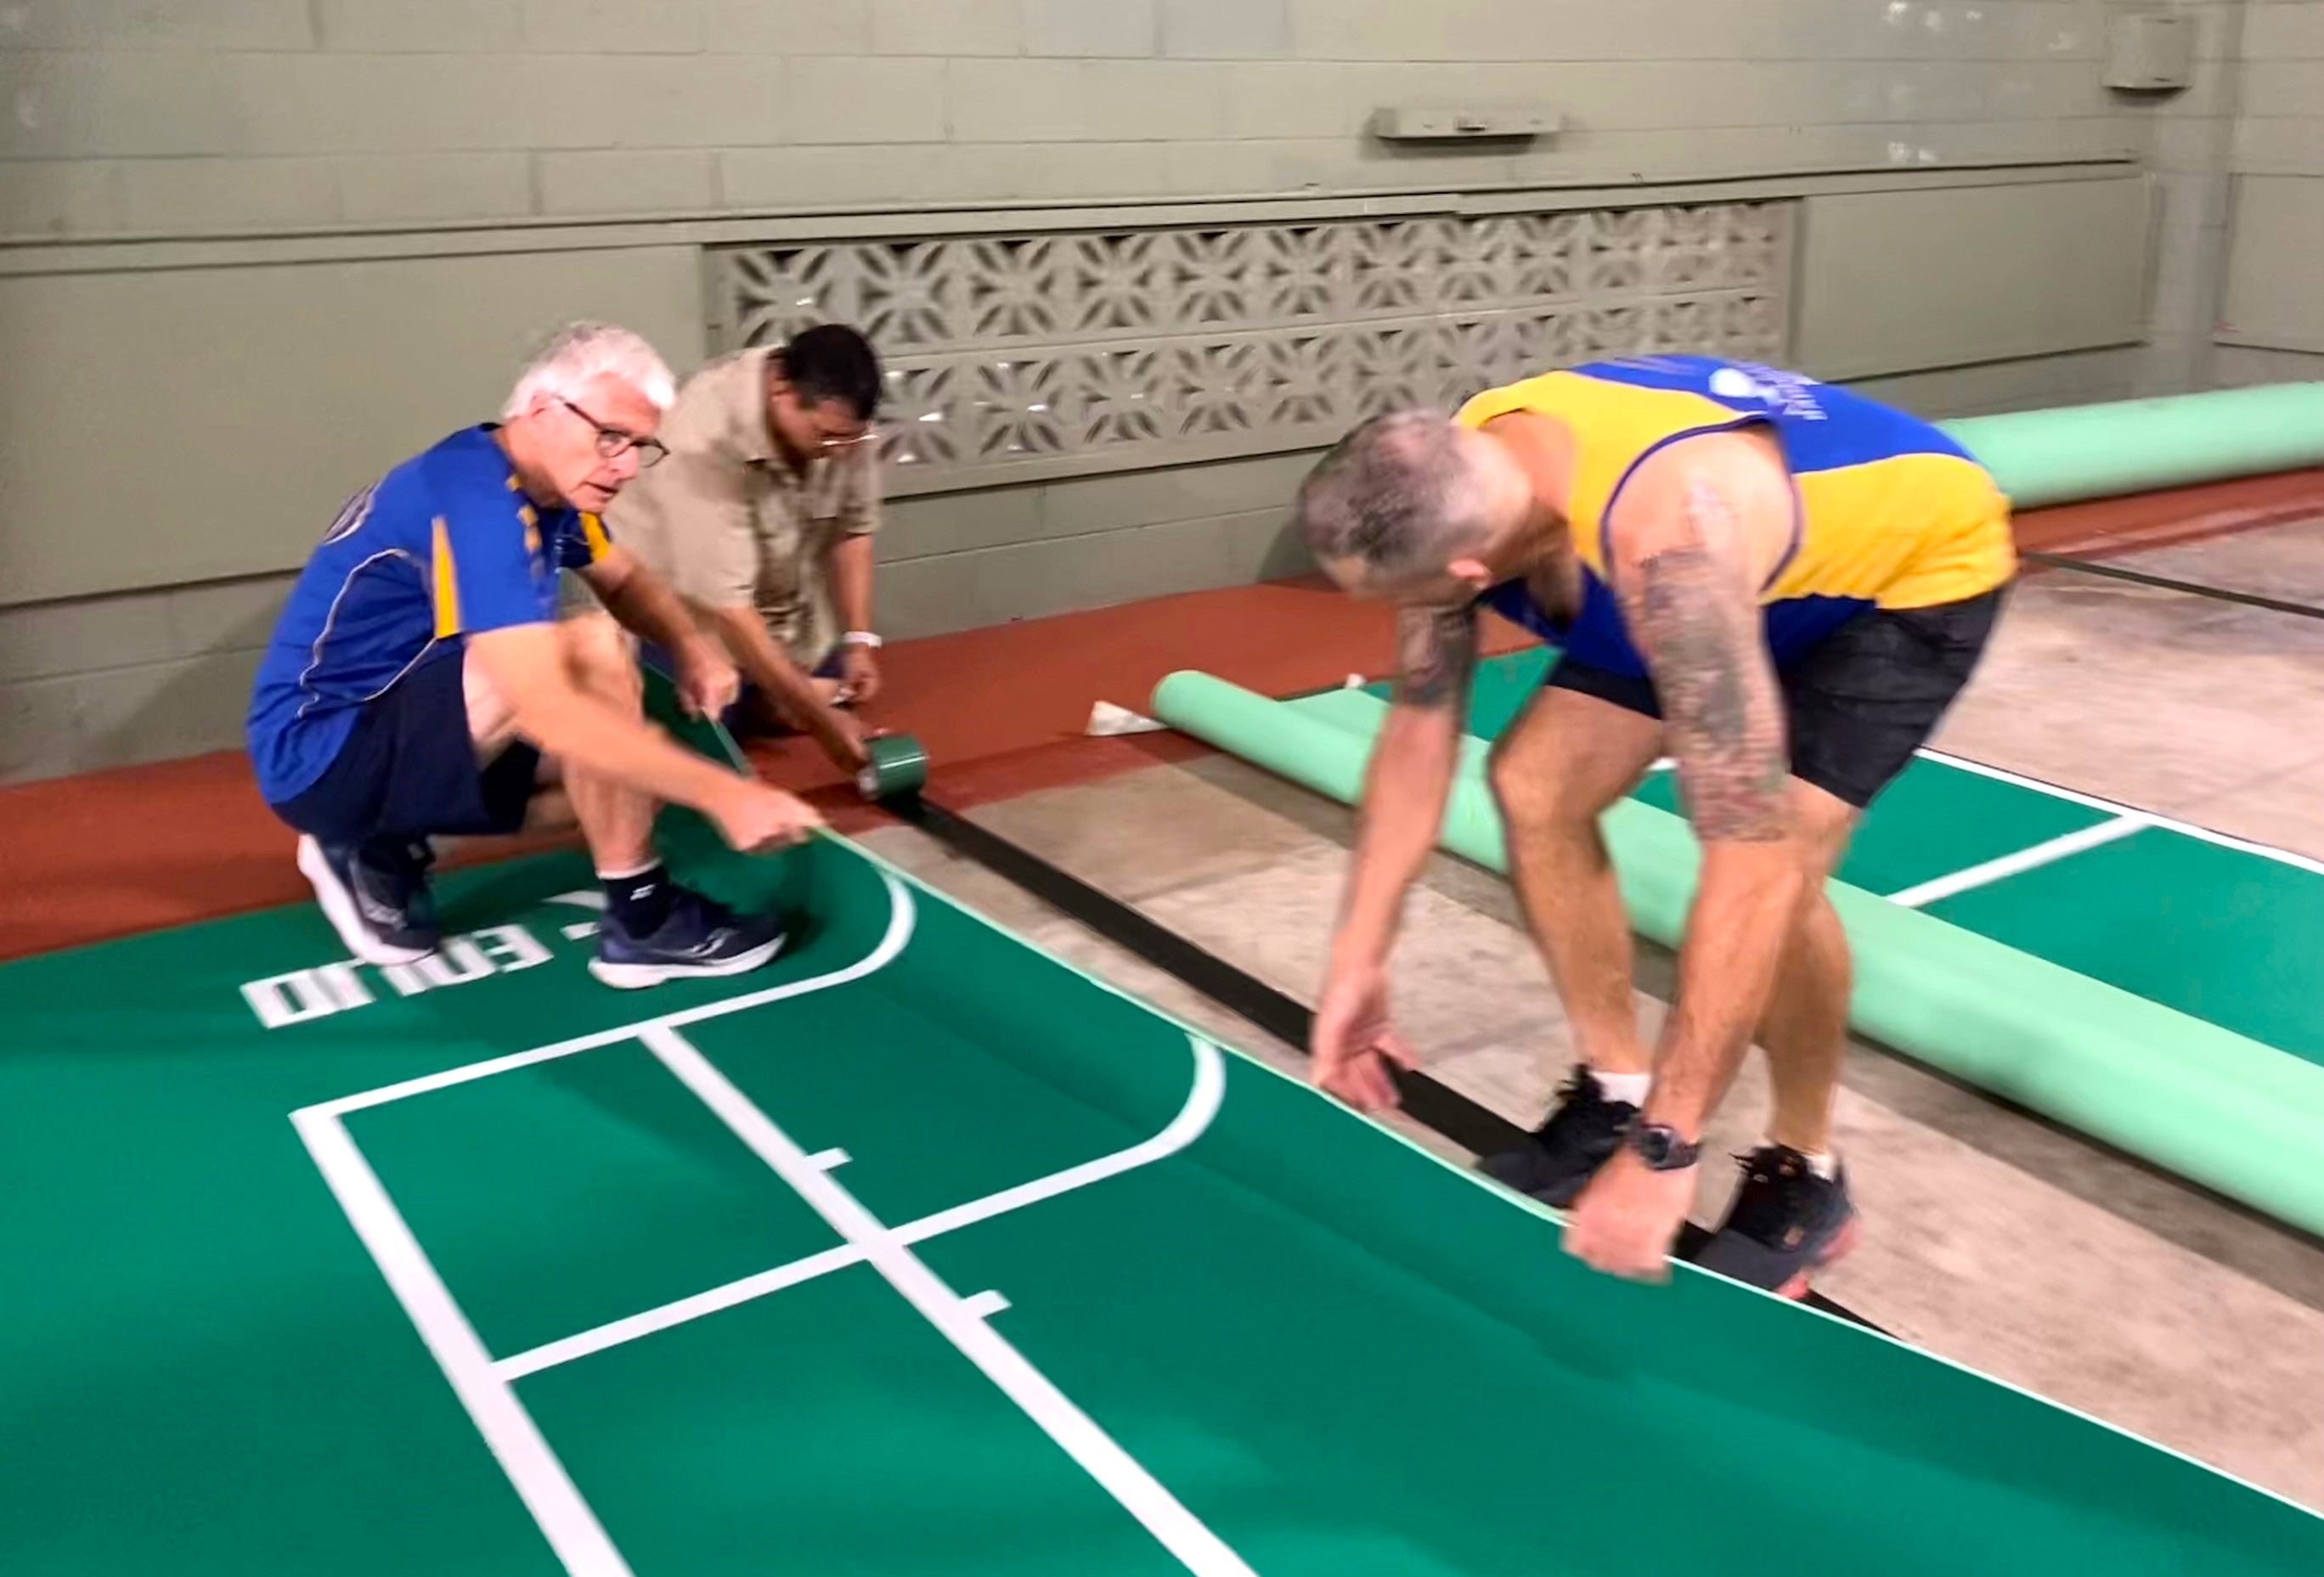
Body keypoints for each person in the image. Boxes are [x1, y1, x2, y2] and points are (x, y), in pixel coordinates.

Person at [1292, 354, 2014, 1297]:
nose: (1396, 619)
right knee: (1537, 786)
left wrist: (1670, 1151)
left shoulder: (1668, 549)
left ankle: (1806, 1169)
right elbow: (1421, 730)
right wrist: (1358, 956)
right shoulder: (1465, 475)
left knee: (1782, 864)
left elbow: (1747, 857)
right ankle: (1615, 1086)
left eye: (1394, 599)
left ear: (1467, 572)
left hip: (1898, 577)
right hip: (1712, 560)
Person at [245, 322, 825, 989]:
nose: (628, 465)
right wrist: (724, 792)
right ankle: (642, 920)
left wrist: (691, 647)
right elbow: (545, 703)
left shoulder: (548, 489)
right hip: (320, 752)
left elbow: (628, 578)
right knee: (590, 649)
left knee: (621, 789)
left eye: (641, 445)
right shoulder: (476, 503)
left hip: (404, 724)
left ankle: (380, 847)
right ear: (546, 411)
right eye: (612, 437)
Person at [602, 324, 887, 763]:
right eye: (826, 437)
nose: (840, 451)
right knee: (704, 734)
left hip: (776, 613)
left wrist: (859, 639)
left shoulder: (845, 426)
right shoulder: (699, 436)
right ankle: (758, 695)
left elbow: (854, 529)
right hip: (681, 613)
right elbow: (728, 609)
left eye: (852, 439)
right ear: (780, 389)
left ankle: (773, 691)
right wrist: (823, 725)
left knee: (833, 684)